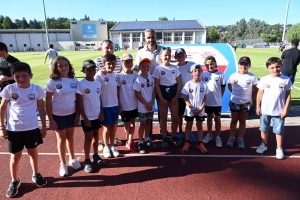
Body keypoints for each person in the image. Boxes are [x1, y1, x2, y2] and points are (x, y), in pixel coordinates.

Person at [0, 62, 47, 197]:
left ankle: (36, 174)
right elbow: (2, 108)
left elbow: (41, 109)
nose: (21, 79)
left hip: (31, 128)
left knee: (33, 153)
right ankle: (15, 180)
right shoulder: (9, 89)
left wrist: (43, 126)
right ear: (12, 77)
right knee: (15, 157)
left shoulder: (37, 89)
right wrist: (2, 127)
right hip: (14, 129)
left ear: (30, 76)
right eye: (17, 76)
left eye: (24, 76)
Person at [45, 56, 81, 177]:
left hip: (71, 114)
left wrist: (78, 114)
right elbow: (48, 101)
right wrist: (50, 119)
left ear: (69, 66)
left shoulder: (74, 81)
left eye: (66, 65)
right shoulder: (52, 82)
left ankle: (72, 158)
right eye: (60, 65)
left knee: (70, 137)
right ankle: (63, 163)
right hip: (58, 115)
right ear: (56, 67)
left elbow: (77, 99)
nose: (64, 68)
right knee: (61, 139)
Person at [256, 57, 293, 159]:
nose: (275, 69)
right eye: (272, 67)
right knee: (263, 129)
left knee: (279, 130)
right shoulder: (264, 79)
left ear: (281, 66)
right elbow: (259, 94)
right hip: (265, 110)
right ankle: (264, 145)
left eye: (277, 67)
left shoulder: (286, 80)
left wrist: (285, 109)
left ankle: (279, 148)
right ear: (268, 68)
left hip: (279, 110)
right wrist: (258, 107)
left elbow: (288, 95)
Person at [76, 59, 106, 173]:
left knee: (96, 137)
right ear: (84, 71)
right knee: (88, 138)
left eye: (93, 69)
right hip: (87, 117)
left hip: (97, 115)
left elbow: (100, 99)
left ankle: (96, 155)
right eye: (89, 69)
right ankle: (87, 160)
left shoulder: (98, 83)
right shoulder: (81, 84)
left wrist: (101, 112)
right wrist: (85, 117)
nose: (92, 71)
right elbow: (79, 103)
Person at [135, 28, 165, 139]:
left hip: (161, 85)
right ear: (145, 38)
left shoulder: (163, 50)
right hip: (147, 86)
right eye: (148, 37)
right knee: (149, 108)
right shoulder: (141, 52)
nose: (151, 39)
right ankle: (149, 134)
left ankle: (163, 130)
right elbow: (136, 68)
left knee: (162, 109)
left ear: (156, 37)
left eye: (152, 37)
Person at [94, 39, 122, 148]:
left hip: (113, 95)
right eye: (107, 47)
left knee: (114, 122)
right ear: (102, 49)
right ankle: (101, 141)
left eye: (111, 48)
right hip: (103, 96)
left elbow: (118, 75)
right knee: (103, 122)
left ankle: (113, 138)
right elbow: (95, 78)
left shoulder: (118, 60)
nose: (109, 50)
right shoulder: (97, 61)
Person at [227, 56, 258, 148]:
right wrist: (236, 95)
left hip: (246, 102)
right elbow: (230, 87)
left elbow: (255, 90)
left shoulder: (253, 77)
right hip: (235, 102)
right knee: (233, 120)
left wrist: (254, 103)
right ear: (238, 65)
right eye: (241, 64)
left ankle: (240, 139)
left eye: (246, 64)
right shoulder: (233, 76)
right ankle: (231, 137)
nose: (243, 66)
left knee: (242, 121)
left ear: (249, 65)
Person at [153, 47, 181, 148]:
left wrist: (176, 96)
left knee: (175, 118)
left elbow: (179, 83)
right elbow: (156, 85)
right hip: (163, 93)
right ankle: (164, 137)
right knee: (163, 118)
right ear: (160, 56)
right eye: (165, 55)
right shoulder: (158, 69)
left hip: (173, 93)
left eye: (169, 55)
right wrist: (161, 98)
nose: (167, 57)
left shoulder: (175, 68)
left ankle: (174, 136)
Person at [181, 64, 209, 153]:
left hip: (200, 110)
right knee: (188, 126)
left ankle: (200, 143)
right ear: (191, 73)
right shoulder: (188, 84)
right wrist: (191, 107)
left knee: (199, 126)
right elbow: (185, 98)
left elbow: (205, 98)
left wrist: (201, 109)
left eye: (199, 70)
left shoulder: (204, 84)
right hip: (190, 111)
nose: (197, 72)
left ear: (201, 72)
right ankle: (187, 142)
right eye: (195, 71)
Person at [133, 58, 157, 153]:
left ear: (150, 67)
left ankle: (147, 139)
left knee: (148, 123)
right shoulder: (138, 80)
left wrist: (151, 103)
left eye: (147, 66)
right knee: (142, 124)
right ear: (139, 68)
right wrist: (146, 104)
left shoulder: (152, 78)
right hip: (142, 107)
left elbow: (154, 91)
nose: (145, 68)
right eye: (143, 66)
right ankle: (140, 141)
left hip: (150, 106)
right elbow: (137, 94)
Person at [201, 56, 226, 147]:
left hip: (217, 102)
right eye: (207, 65)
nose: (210, 66)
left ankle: (218, 137)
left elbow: (223, 88)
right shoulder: (204, 75)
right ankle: (209, 134)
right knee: (209, 118)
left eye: (212, 64)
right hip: (207, 101)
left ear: (215, 64)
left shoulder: (220, 74)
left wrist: (219, 97)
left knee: (217, 119)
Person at [174, 47, 197, 142]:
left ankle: (189, 131)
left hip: (191, 96)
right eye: (178, 56)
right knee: (180, 115)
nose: (180, 57)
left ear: (185, 56)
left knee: (190, 114)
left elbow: (198, 77)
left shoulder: (192, 65)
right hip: (180, 96)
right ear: (175, 57)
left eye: (182, 55)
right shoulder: (174, 67)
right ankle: (180, 131)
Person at [117, 54, 139, 152]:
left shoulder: (136, 75)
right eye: (126, 61)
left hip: (134, 104)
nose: (128, 63)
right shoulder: (119, 76)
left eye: (130, 61)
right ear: (122, 63)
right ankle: (128, 136)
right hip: (124, 105)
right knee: (127, 125)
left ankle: (130, 140)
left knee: (133, 123)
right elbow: (117, 92)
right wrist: (119, 105)